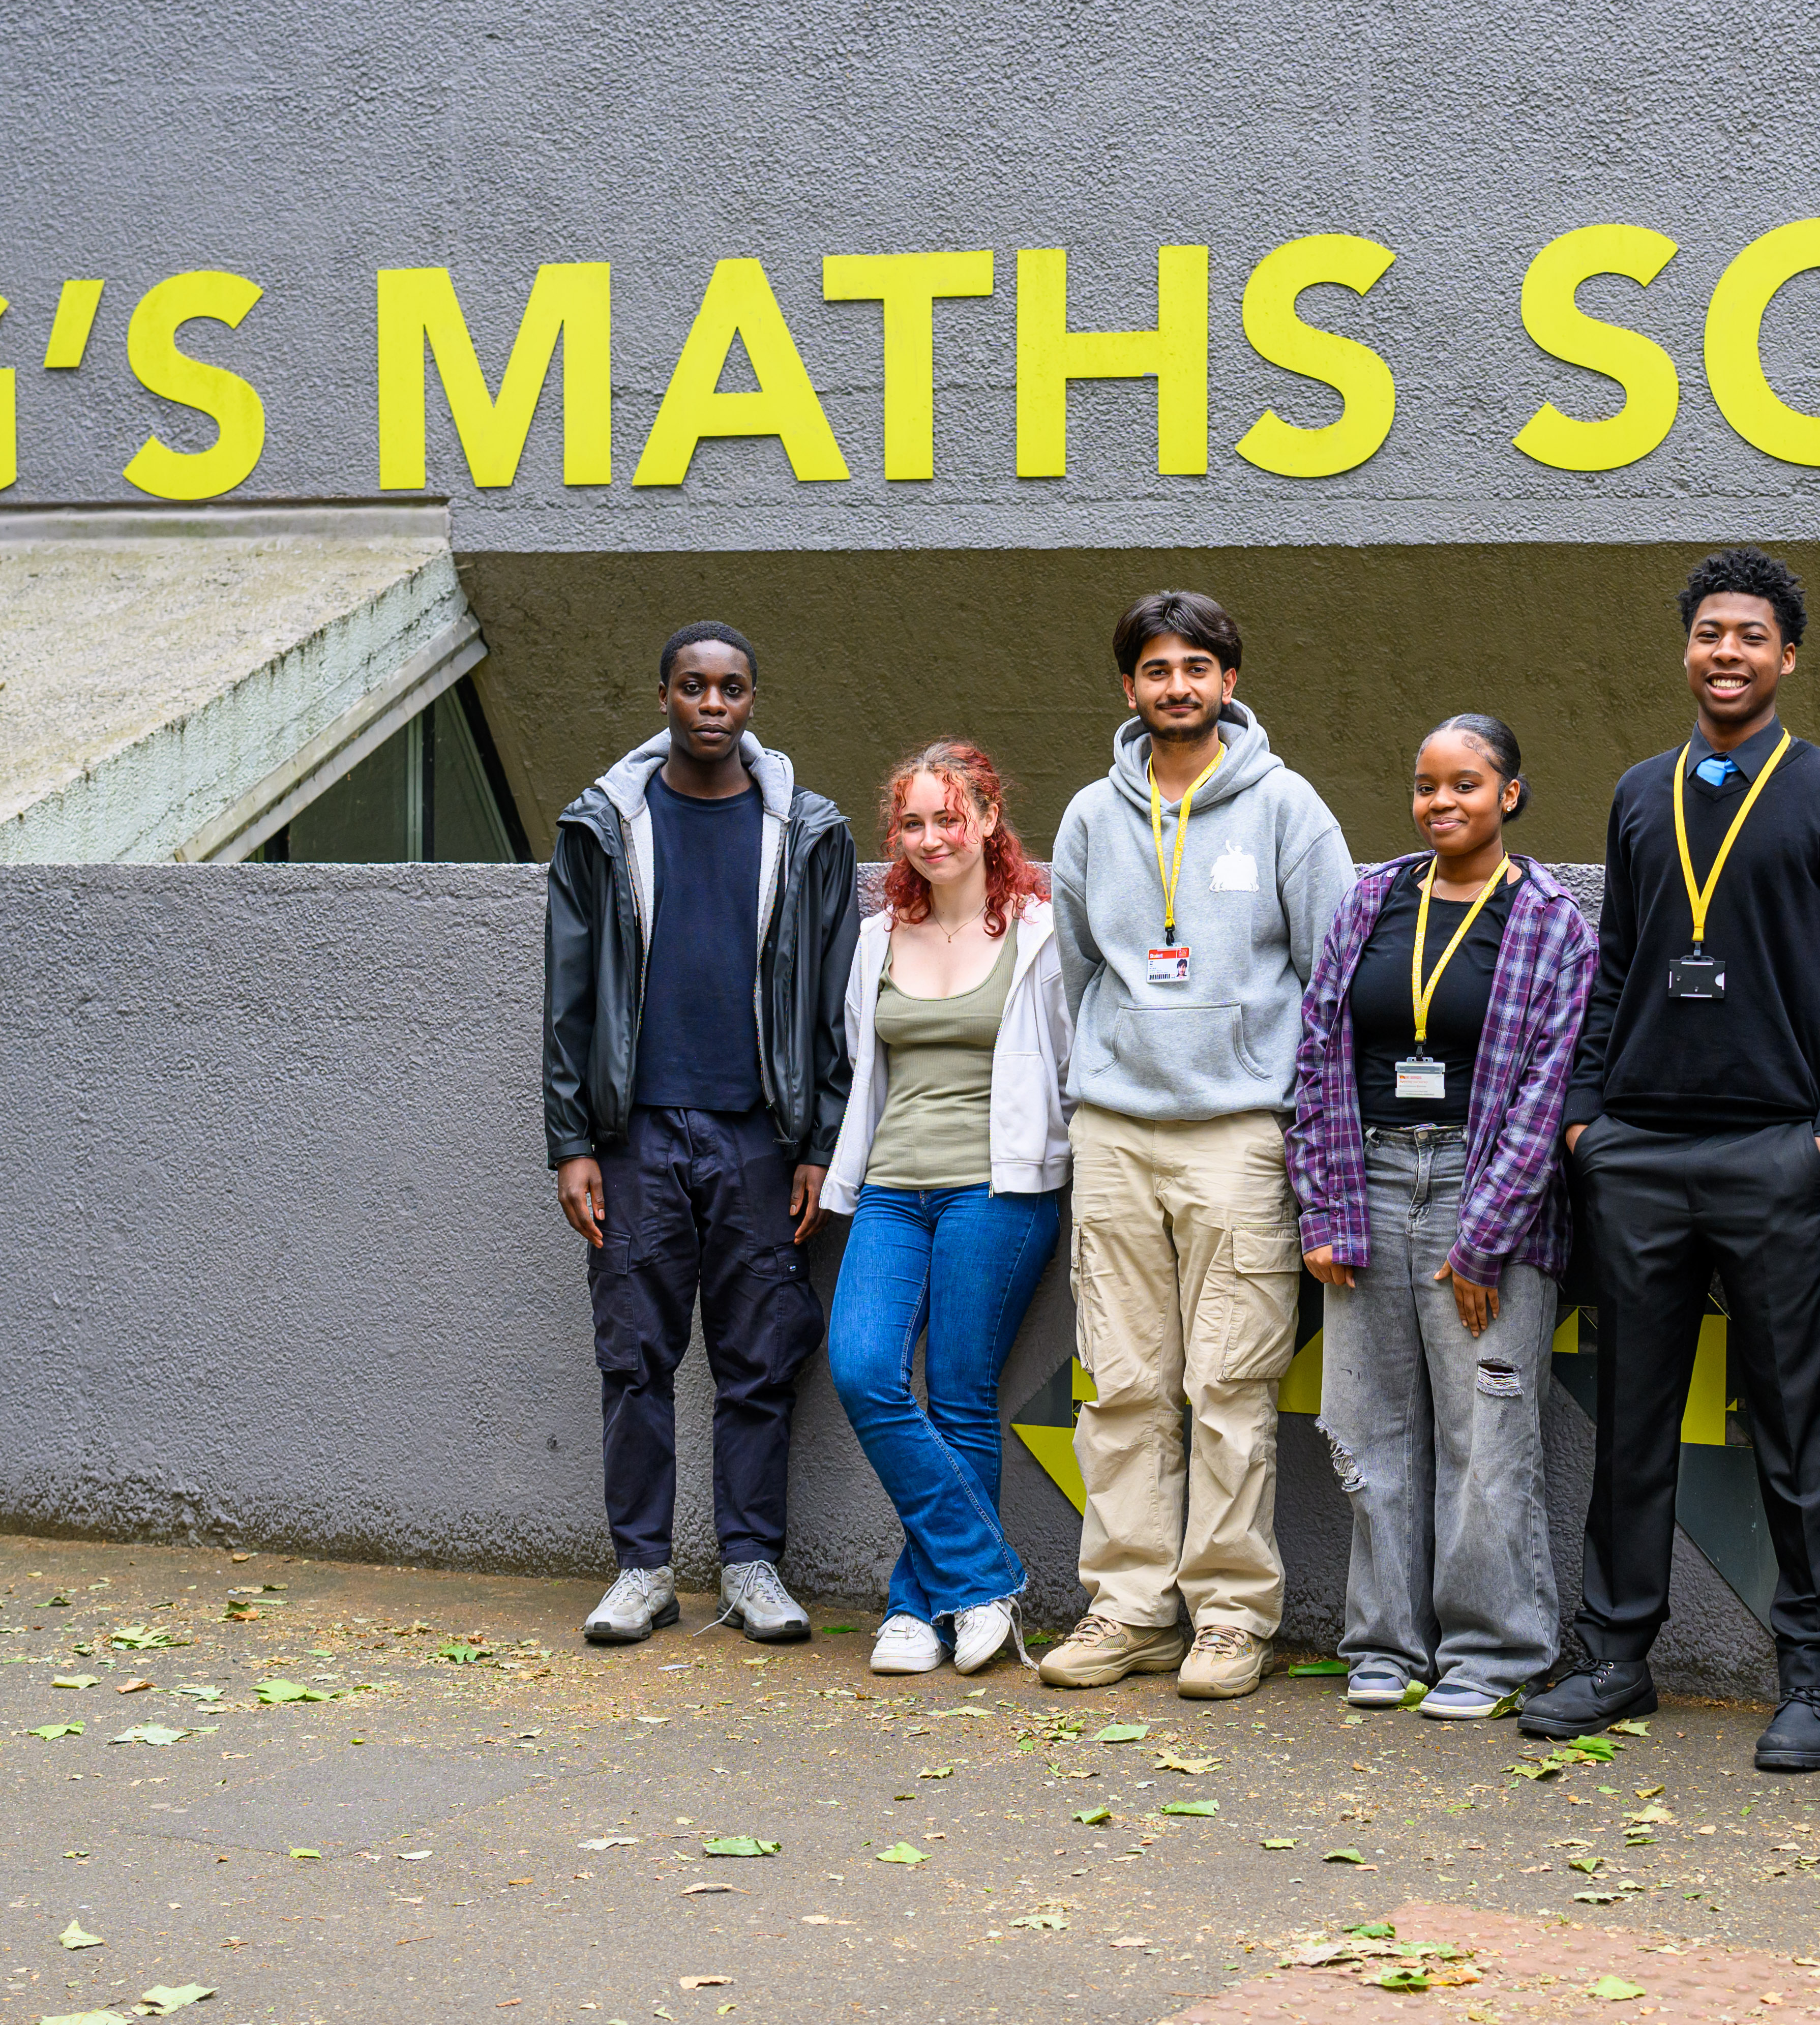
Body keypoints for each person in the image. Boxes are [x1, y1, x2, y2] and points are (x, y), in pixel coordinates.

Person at [1536, 547, 1820, 1772]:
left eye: (1750, 635)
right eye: (1709, 633)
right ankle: (1613, 1656)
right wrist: (1588, 1116)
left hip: (1772, 1151)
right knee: (1630, 1416)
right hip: (1636, 1152)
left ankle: (1818, 1675)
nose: (1726, 652)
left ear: (1786, 657)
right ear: (1686, 650)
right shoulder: (1641, 793)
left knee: (1799, 1421)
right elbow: (1619, 963)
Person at [1037, 590, 1354, 1701]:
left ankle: (1228, 1615)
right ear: (1129, 686)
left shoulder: (1288, 807)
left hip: (1236, 1135)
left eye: (1198, 667)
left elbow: (1334, 980)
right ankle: (1127, 1606)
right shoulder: (1088, 815)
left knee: (1230, 1384)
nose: (1178, 685)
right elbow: (1078, 970)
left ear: (1229, 679)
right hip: (1118, 1131)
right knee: (1121, 1385)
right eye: (1157, 668)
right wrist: (1113, 1073)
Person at [545, 620, 859, 1650]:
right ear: (666, 696)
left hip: (759, 1138)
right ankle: (640, 1569)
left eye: (729, 686)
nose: (711, 703)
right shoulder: (603, 825)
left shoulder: (808, 832)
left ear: (753, 700)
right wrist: (570, 1140)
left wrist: (817, 1141)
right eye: (692, 685)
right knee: (634, 1356)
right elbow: (569, 995)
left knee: (759, 1358)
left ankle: (750, 1564)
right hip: (633, 1136)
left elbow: (831, 1004)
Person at [1287, 715, 1598, 1720]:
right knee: (1369, 1432)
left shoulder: (1549, 921)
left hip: (1486, 1194)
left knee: (1487, 1438)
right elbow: (1317, 1058)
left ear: (1509, 792)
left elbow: (1548, 1093)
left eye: (1465, 784)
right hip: (1369, 1182)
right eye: (1427, 785)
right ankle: (1384, 1641)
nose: (1441, 803)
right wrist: (1325, 1207)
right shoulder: (1370, 901)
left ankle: (1495, 1649)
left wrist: (1486, 1235)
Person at [818, 741, 1074, 1677]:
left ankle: (911, 1611)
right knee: (862, 1370)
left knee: (961, 1396)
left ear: (990, 819)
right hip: (890, 1187)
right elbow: (862, 1066)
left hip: (997, 1188)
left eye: (948, 818)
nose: (931, 838)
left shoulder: (1042, 933)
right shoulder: (881, 933)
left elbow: (1073, 1065)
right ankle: (984, 1582)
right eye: (913, 824)